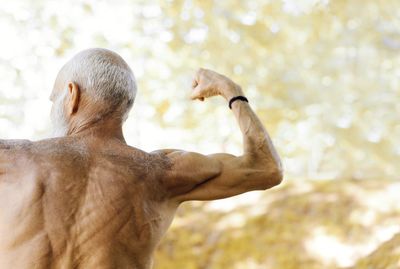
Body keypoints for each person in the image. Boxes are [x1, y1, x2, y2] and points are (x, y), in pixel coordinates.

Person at [0, 48, 283, 269]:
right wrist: (231, 91)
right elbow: (265, 167)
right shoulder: (161, 173)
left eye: (54, 99)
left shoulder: (15, 159)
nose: (53, 108)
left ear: (71, 95)